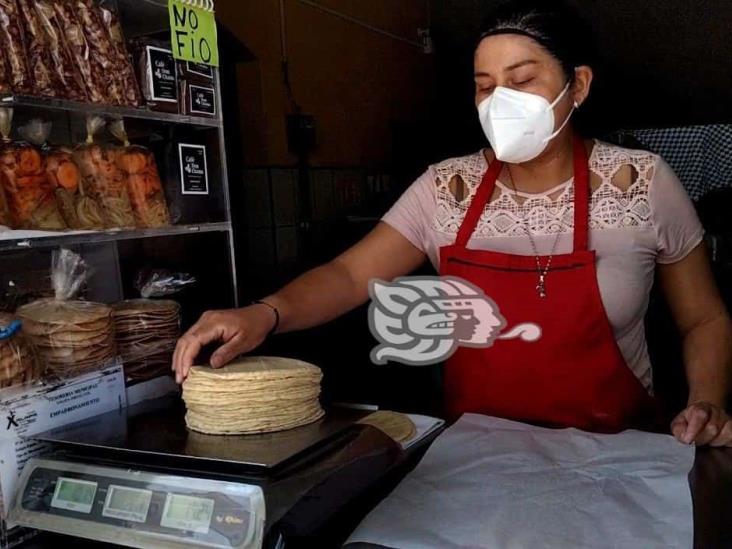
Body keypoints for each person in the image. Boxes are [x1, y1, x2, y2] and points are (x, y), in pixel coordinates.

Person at [173, 0, 732, 446]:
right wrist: (266, 313)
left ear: (578, 86)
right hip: (478, 458)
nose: (499, 101)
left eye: (523, 80)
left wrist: (707, 402)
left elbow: (704, 317)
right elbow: (348, 276)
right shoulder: (446, 189)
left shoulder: (640, 183)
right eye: (485, 86)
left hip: (616, 456)